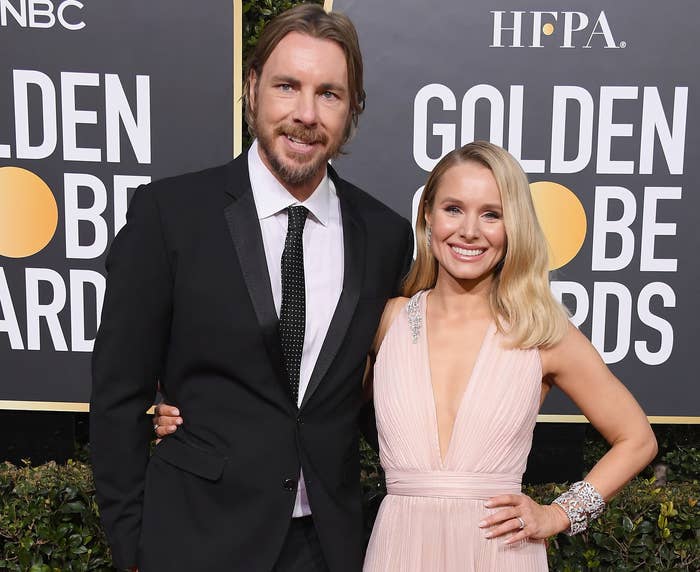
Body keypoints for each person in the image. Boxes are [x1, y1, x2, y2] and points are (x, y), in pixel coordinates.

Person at [157, 141, 658, 571]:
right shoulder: (387, 321)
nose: (469, 231)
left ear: (514, 227)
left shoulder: (542, 332)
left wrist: (560, 513)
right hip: (397, 549)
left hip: (500, 553)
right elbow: (296, 404)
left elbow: (636, 438)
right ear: (427, 216)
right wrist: (193, 413)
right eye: (453, 209)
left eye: (491, 214)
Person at [89, 4, 413, 572]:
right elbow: (119, 395)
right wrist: (131, 547)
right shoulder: (170, 215)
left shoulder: (385, 235)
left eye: (330, 94)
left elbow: (374, 394)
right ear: (252, 88)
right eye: (287, 86)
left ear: (352, 109)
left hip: (329, 545)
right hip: (193, 537)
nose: (305, 114)